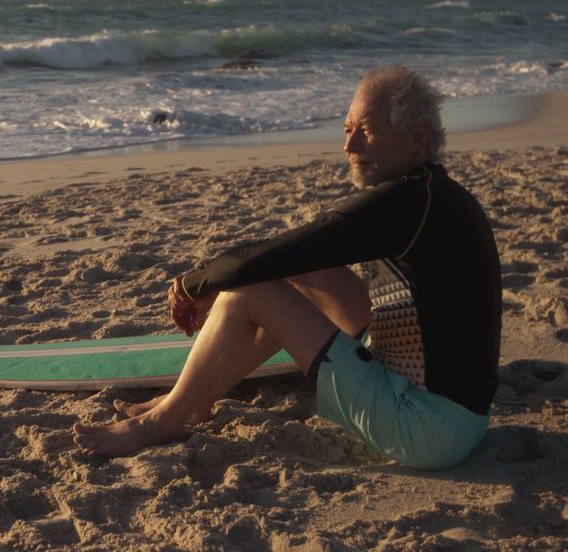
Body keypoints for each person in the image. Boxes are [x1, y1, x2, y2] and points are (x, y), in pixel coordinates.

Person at [72, 65, 502, 469]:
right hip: (457, 419)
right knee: (305, 272)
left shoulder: (407, 203)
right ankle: (198, 398)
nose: (350, 147)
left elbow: (274, 253)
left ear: (417, 136)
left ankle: (161, 422)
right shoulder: (433, 194)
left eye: (366, 132)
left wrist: (193, 283)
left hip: (424, 428)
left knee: (251, 288)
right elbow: (300, 257)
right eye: (348, 130)